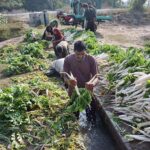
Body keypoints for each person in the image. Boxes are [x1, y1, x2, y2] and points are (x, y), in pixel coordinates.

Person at [63, 40, 98, 124]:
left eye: (83, 54)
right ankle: (76, 128)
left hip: (87, 90)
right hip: (74, 90)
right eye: (78, 54)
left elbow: (96, 76)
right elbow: (65, 76)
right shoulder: (68, 59)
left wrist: (92, 83)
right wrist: (69, 82)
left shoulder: (91, 59)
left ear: (85, 51)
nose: (80, 56)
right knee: (74, 116)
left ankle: (91, 125)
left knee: (91, 115)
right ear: (74, 51)